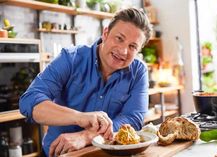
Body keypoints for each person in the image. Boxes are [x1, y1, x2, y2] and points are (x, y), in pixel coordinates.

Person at [19, 7, 152, 157]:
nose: (123, 51)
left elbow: (133, 118)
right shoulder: (70, 58)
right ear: (106, 33)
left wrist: (87, 136)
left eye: (132, 46)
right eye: (119, 38)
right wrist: (79, 117)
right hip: (59, 153)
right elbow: (29, 101)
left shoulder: (139, 71)